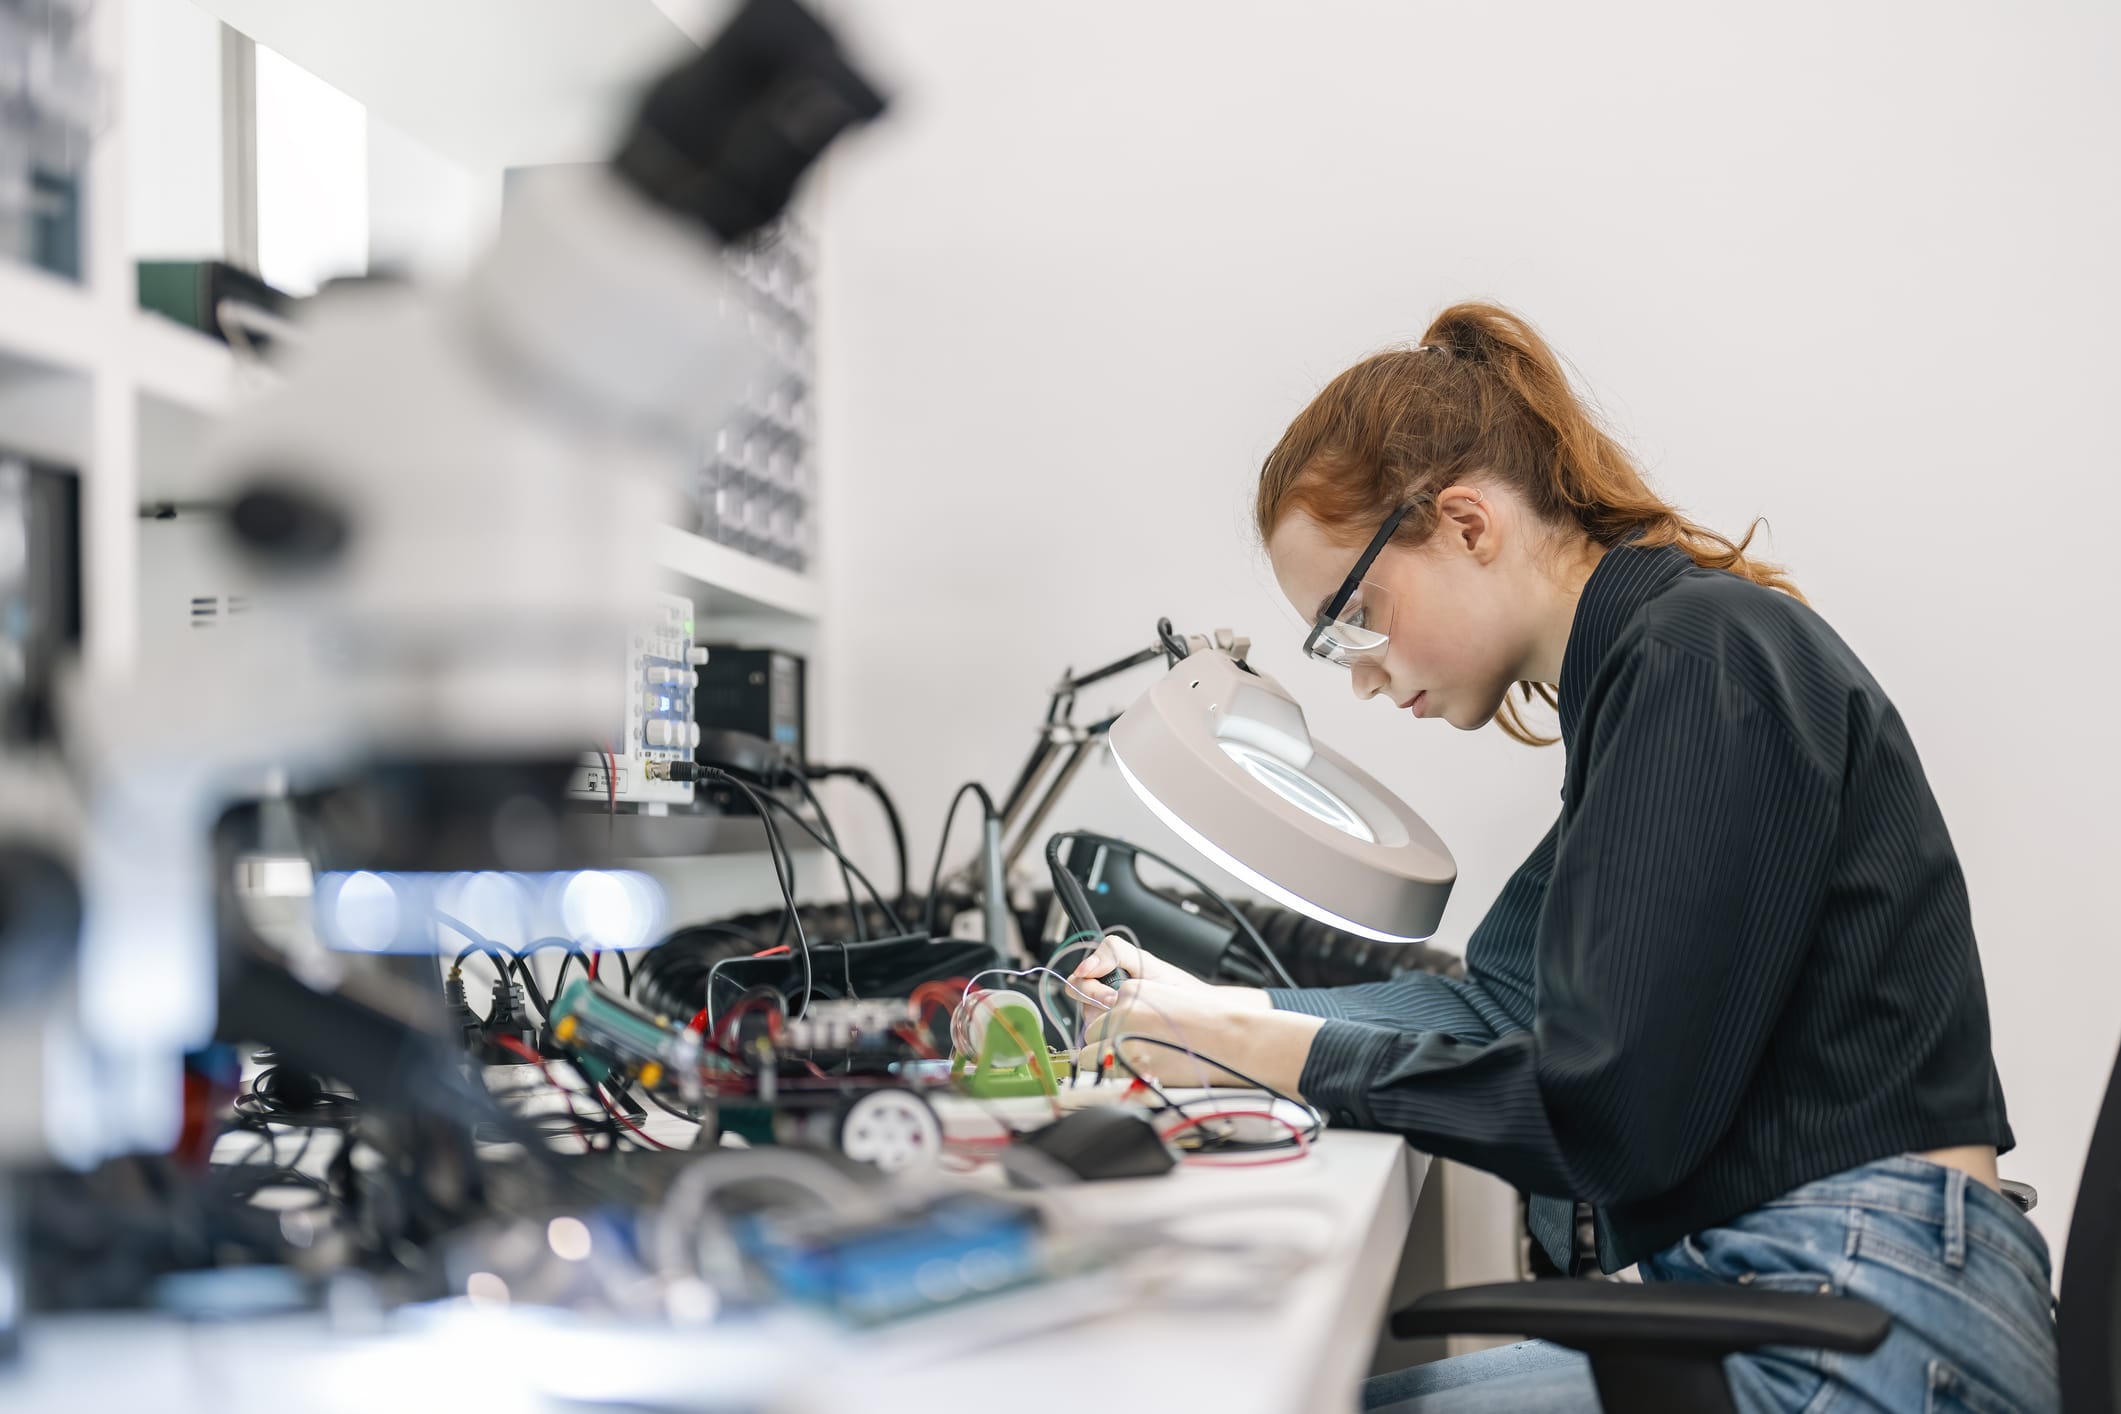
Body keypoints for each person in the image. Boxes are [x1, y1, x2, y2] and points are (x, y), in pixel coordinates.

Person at [1068, 303, 2059, 1413]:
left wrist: (1247, 1038)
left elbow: (1608, 1113)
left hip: (1866, 1325)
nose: (1360, 678)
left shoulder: (1700, 659)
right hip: (1820, 1298)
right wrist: (1216, 1017)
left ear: (1466, 525)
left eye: (1354, 619)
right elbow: (1497, 1007)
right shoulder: (1656, 676)